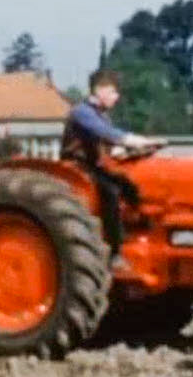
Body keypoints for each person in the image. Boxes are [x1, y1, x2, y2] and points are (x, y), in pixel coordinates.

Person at [60, 69, 160, 270]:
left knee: (129, 185)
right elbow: (104, 133)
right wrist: (131, 139)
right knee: (110, 191)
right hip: (76, 167)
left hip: (94, 164)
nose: (117, 97)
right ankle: (114, 253)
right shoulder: (82, 112)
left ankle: (142, 232)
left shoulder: (101, 115)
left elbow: (108, 144)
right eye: (113, 92)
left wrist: (134, 148)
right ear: (100, 90)